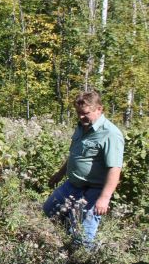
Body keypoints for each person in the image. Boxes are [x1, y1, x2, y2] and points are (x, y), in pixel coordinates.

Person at [43, 90, 124, 248]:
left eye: (85, 113)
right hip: (72, 184)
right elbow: (75, 155)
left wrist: (104, 198)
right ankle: (70, 240)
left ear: (99, 109)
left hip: (93, 190)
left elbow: (115, 169)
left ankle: (81, 262)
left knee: (84, 236)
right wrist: (60, 174)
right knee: (50, 209)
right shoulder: (81, 127)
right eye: (78, 113)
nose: (80, 117)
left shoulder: (110, 134)